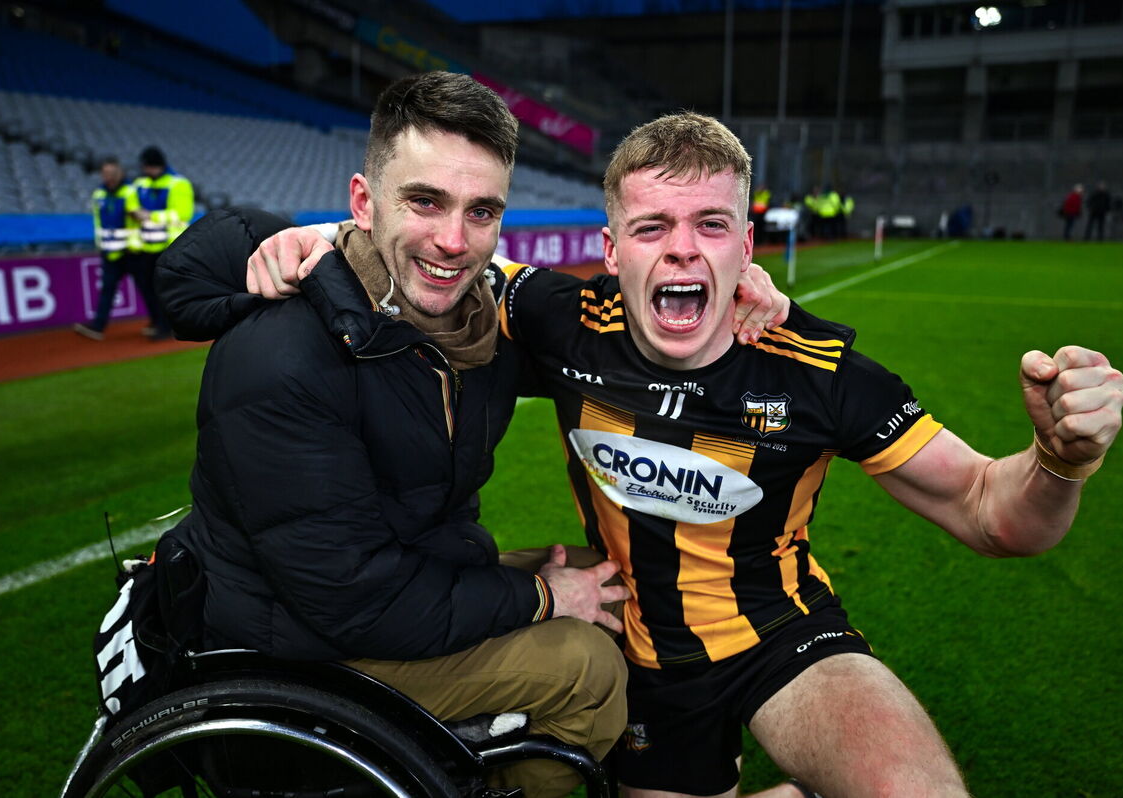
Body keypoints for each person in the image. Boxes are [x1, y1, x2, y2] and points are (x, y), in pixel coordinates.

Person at [251, 111, 1123, 798]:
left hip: (778, 637)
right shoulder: (558, 317)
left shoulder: (821, 373)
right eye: (652, 226)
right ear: (610, 250)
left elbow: (991, 511)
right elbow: (443, 255)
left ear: (747, 246)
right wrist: (330, 238)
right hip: (632, 650)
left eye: (711, 224)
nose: (680, 248)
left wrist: (1057, 460)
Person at [155, 73, 784, 798]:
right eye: (425, 202)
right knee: (585, 664)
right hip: (287, 655)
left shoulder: (476, 330)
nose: (453, 242)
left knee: (615, 576)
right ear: (363, 202)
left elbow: (622, 345)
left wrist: (742, 297)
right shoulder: (284, 357)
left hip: (388, 588)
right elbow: (355, 600)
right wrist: (543, 601)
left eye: (481, 211)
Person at [74, 156, 160, 341]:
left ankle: (159, 322)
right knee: (107, 289)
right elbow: (99, 222)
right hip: (111, 253)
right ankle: (98, 327)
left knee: (146, 288)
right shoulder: (99, 194)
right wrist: (100, 245)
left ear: (120, 173)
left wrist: (139, 215)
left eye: (112, 173)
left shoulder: (130, 191)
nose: (109, 177)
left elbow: (137, 212)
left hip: (132, 252)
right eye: (105, 173)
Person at [131, 145, 193, 338]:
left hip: (170, 247)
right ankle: (158, 321)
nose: (146, 171)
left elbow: (182, 214)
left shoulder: (178, 183)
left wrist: (150, 216)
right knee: (147, 287)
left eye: (149, 167)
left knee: (167, 290)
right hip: (145, 246)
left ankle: (167, 326)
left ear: (159, 166)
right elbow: (130, 203)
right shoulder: (140, 183)